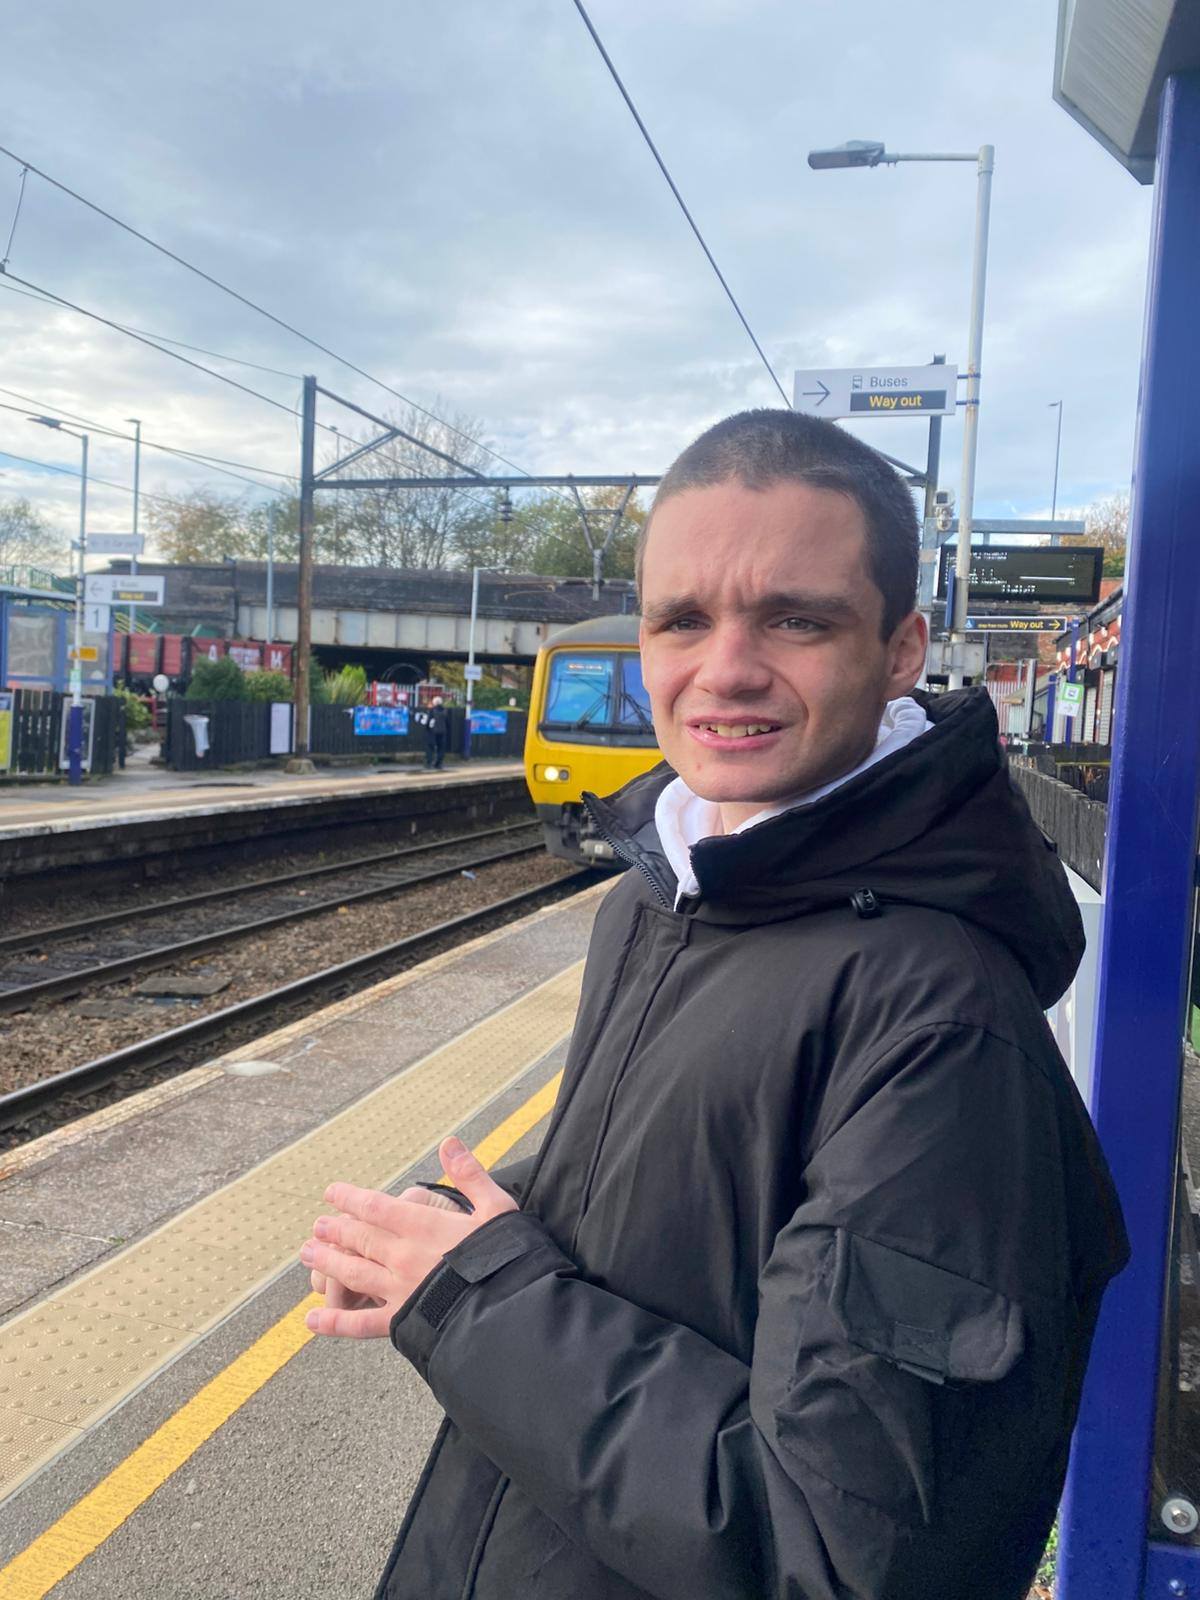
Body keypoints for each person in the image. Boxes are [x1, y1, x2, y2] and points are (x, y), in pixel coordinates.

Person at [300, 409, 1128, 1600]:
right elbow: (696, 1190)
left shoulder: (946, 1030)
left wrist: (476, 1294)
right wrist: (467, 1225)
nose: (725, 667)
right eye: (682, 619)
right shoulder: (657, 901)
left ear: (901, 649)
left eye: (796, 618)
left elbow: (833, 1548)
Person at [423, 695, 448, 770]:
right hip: (442, 732)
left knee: (430, 747)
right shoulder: (445, 711)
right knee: (441, 748)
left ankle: (429, 763)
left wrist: (427, 728)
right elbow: (447, 722)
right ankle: (438, 764)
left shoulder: (432, 710)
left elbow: (428, 721)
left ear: (434, 703)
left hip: (432, 731)